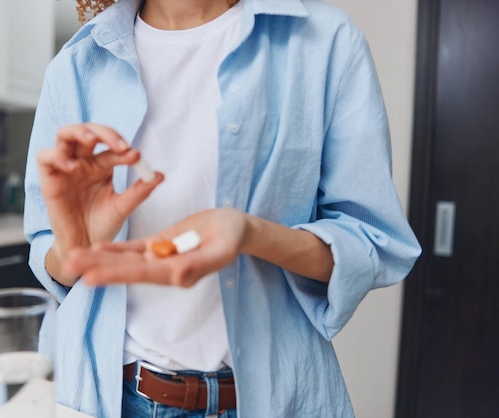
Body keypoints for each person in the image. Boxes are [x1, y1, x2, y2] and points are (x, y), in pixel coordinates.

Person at [23, 0, 422, 416]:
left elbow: (372, 241)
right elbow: (49, 253)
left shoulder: (325, 42)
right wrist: (79, 244)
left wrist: (252, 234)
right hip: (104, 398)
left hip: (271, 401)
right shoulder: (75, 65)